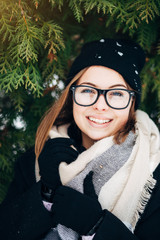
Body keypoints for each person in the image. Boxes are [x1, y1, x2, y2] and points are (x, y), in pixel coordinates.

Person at [0, 38, 160, 240]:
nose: (100, 105)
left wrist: (97, 226)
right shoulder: (40, 158)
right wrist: (45, 193)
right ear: (71, 96)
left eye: (117, 93)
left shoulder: (151, 171)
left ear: (132, 103)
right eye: (88, 90)